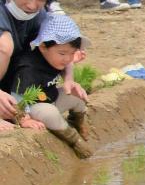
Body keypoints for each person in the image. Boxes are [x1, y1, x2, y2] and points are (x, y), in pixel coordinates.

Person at [4, 10, 91, 157]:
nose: (67, 59)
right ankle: (74, 141)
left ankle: (77, 121)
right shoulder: (28, 68)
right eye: (63, 53)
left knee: (78, 97)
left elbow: (67, 63)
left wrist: (70, 80)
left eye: (72, 53)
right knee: (50, 113)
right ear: (43, 46)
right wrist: (23, 119)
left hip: (50, 97)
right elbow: (16, 98)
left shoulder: (55, 58)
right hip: (31, 107)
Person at [0, 0, 58, 131]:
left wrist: (69, 78)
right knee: (5, 45)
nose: (32, 5)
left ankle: (15, 111)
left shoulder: (38, 15)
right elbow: (3, 48)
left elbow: (58, 41)